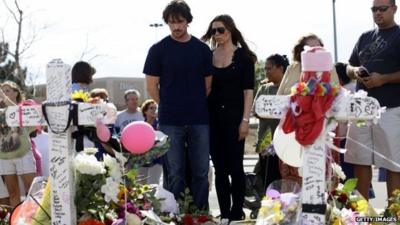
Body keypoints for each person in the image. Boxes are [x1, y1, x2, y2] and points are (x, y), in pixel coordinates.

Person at [143, 0, 212, 211]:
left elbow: (207, 86)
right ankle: (174, 214)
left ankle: (201, 214)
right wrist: (169, 104)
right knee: (174, 170)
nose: (176, 27)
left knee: (201, 170)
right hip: (170, 120)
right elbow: (152, 86)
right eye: (171, 22)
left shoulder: (202, 49)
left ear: (188, 22)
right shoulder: (158, 49)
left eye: (180, 21)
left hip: (199, 119)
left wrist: (192, 103)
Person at [201, 14, 256, 223]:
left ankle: (236, 212)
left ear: (230, 30)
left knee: (235, 167)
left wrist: (245, 121)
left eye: (221, 30)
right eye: (213, 30)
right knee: (220, 168)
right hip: (212, 119)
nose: (217, 34)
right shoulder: (208, 56)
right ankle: (224, 213)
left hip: (235, 120)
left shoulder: (244, 57)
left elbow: (248, 92)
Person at [344, 0, 400, 201]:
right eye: (374, 9)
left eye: (382, 9)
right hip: (361, 108)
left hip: (391, 107)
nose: (377, 13)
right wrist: (355, 71)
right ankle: (361, 214)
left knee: (393, 162)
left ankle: (394, 213)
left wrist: (383, 79)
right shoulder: (365, 36)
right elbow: (348, 66)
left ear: (394, 9)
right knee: (360, 159)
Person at [276, 33, 339, 184]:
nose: (315, 51)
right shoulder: (292, 68)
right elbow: (280, 97)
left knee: (322, 175)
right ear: (300, 50)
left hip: (322, 129)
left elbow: (336, 95)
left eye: (318, 48)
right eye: (310, 48)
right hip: (293, 131)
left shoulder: (329, 68)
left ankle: (327, 206)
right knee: (292, 175)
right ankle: (291, 206)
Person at [252, 54, 289, 198]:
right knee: (267, 177)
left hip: (284, 141)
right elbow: (256, 110)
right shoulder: (264, 89)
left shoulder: (290, 90)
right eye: (265, 69)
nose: (266, 72)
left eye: (270, 68)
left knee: (283, 176)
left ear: (281, 68)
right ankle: (269, 207)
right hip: (266, 141)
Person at [0, 81, 36, 208]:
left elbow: (16, 112)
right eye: (2, 91)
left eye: (7, 90)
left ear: (16, 92)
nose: (4, 93)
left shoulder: (23, 107)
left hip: (23, 154)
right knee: (13, 193)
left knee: (32, 191)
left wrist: (4, 98)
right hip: (4, 157)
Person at [139, 99, 162, 185]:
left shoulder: (160, 124)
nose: (154, 110)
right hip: (141, 160)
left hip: (157, 160)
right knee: (141, 188)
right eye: (151, 108)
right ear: (145, 111)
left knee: (152, 186)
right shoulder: (140, 126)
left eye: (156, 108)